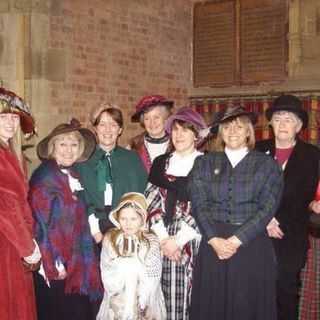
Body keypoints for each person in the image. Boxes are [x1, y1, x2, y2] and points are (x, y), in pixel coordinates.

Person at [189, 105, 283, 320]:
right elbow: (198, 203)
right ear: (220, 132)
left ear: (249, 131)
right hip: (213, 243)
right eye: (227, 127)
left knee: (247, 304)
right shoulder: (204, 162)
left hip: (251, 244)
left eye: (239, 127)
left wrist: (236, 240)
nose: (232, 132)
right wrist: (213, 238)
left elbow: (268, 206)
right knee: (212, 304)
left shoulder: (267, 165)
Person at [29, 118, 102, 320]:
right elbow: (41, 225)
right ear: (53, 147)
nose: (68, 150)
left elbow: (84, 209)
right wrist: (55, 264)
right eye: (63, 144)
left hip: (77, 261)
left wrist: (95, 231)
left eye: (73, 144)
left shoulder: (73, 175)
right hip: (56, 265)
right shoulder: (44, 177)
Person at [256, 95, 320, 320]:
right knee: (257, 292)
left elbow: (315, 194)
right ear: (271, 124)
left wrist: (315, 204)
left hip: (292, 237)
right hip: (256, 235)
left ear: (299, 126)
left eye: (289, 119)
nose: (283, 124)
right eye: (278, 118)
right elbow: (244, 191)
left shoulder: (313, 156)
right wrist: (266, 219)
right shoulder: (256, 150)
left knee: (286, 293)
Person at [146, 106, 207, 320]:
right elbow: (150, 200)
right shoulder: (161, 163)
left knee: (187, 299)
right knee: (159, 297)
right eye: (175, 130)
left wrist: (177, 241)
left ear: (196, 134)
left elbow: (205, 206)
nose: (179, 135)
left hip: (191, 237)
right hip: (160, 237)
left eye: (185, 130)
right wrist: (164, 239)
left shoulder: (206, 163)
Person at [76, 104, 148, 243]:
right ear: (95, 129)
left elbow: (140, 193)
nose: (108, 130)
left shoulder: (132, 158)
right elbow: (81, 197)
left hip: (126, 226)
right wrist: (95, 231)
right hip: (91, 227)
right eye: (102, 124)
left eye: (113, 125)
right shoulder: (83, 160)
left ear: (120, 130)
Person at [0, 87, 41, 320]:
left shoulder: (12, 155)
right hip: (6, 244)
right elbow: (5, 207)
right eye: (3, 117)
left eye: (14, 117)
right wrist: (28, 248)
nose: (10, 123)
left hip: (14, 243)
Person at [97, 192, 166, 320]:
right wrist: (125, 268)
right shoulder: (111, 238)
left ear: (142, 218)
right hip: (118, 299)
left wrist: (143, 297)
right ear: (117, 218)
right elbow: (106, 267)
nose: (128, 223)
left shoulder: (151, 240)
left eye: (133, 219)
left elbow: (154, 273)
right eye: (123, 219)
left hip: (144, 301)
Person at [129, 95, 173, 173]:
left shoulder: (176, 144)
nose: (152, 123)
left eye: (156, 117)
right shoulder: (133, 146)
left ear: (165, 118)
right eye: (147, 118)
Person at [299, 188, 320, 320]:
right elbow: (298, 199)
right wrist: (311, 204)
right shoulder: (312, 169)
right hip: (314, 238)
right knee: (311, 291)